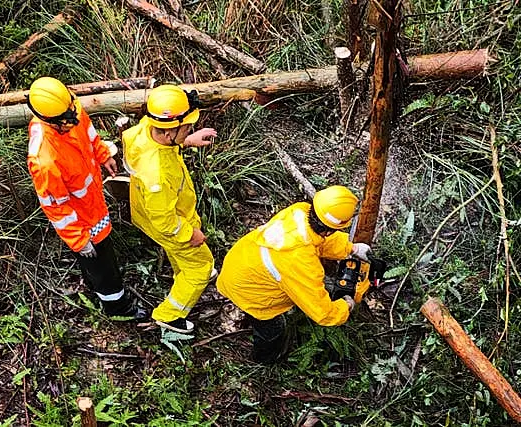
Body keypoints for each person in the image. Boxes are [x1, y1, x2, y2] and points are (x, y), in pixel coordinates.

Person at [26, 76, 146, 320]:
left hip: (93, 202)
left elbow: (90, 136)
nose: (73, 121)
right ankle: (117, 307)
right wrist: (79, 240)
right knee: (102, 263)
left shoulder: (71, 111)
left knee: (98, 259)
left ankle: (95, 285)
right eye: (66, 122)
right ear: (50, 120)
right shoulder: (44, 160)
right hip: (81, 219)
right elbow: (55, 207)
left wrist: (103, 155)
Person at [216, 185, 373, 364]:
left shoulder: (300, 211)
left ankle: (249, 319)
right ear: (331, 229)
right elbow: (322, 312)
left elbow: (318, 240)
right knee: (273, 330)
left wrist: (350, 248)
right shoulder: (300, 262)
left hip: (241, 262)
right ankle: (264, 362)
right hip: (249, 290)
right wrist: (345, 306)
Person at [122, 84, 217, 334]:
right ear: (167, 134)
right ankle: (170, 315)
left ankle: (182, 274)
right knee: (201, 267)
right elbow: (165, 221)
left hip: (146, 212)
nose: (190, 130)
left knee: (183, 257)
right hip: (169, 223)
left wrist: (185, 141)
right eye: (186, 128)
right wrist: (189, 233)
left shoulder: (144, 129)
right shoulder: (157, 175)